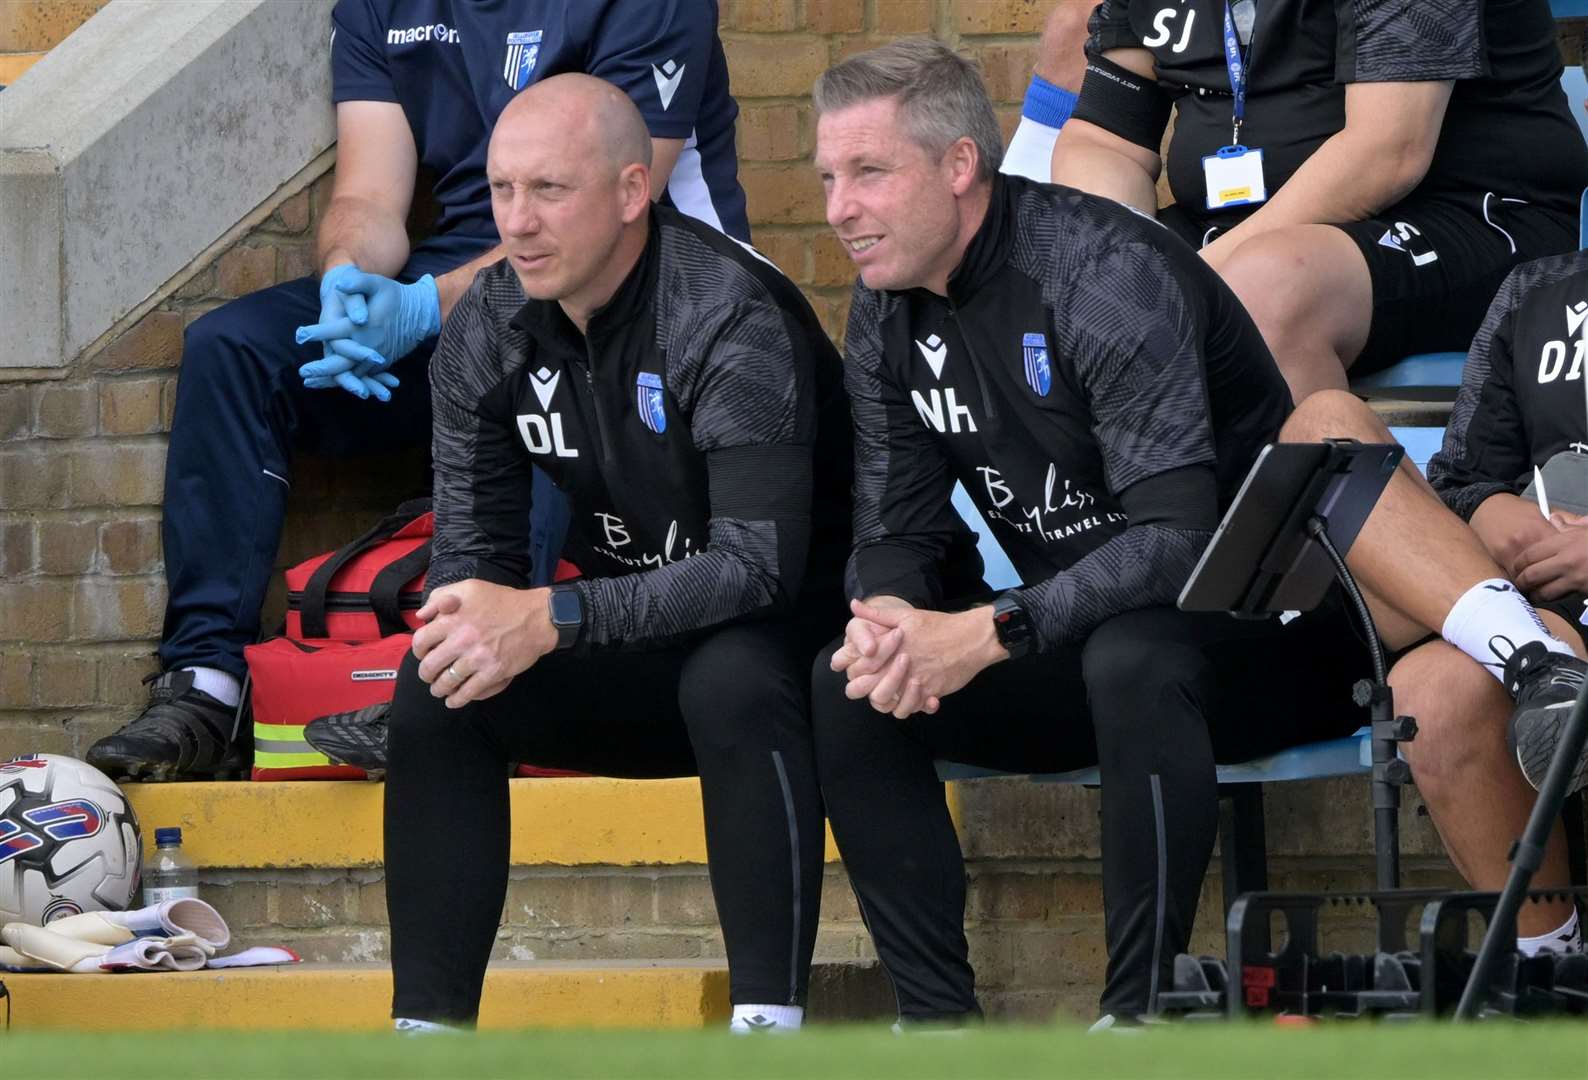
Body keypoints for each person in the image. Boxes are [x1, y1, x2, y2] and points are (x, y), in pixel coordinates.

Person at [808, 38, 1588, 1025]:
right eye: (830, 177)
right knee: (845, 683)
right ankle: (938, 1029)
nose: (839, 208)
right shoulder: (883, 308)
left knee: (1137, 654)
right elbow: (894, 524)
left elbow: (1173, 539)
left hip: (1265, 633)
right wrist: (887, 615)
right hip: (1079, 632)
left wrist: (988, 630)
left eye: (867, 173)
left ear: (960, 166)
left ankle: (1134, 1013)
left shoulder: (1104, 274)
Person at [86, 0, 750, 781]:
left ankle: (476, 685)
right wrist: (350, 288)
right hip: (450, 291)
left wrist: (421, 308)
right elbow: (370, 197)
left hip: (641, 299)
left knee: (534, 341)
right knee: (235, 349)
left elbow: (602, 218)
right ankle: (206, 685)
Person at [379, 75, 852, 1035]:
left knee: (731, 674)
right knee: (441, 683)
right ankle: (425, 1037)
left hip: (801, 646)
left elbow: (756, 568)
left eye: (549, 190)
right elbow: (473, 554)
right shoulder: (490, 320)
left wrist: (554, 616)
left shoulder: (728, 311)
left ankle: (768, 1028)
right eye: (503, 191)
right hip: (638, 641)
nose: (518, 222)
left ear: (634, 191)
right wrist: (476, 622)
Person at [1051, 0, 1588, 399]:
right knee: (1056, 290)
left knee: (1267, 287)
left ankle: (1315, 542)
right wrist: (1118, 270)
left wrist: (1184, 283)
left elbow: (1386, 154)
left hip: (1466, 212)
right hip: (1240, 230)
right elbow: (1106, 140)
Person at [1403, 249, 1588, 959]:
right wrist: (1494, 511)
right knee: (1431, 694)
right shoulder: (1538, 290)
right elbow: (1460, 476)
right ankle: (1550, 968)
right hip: (1542, 601)